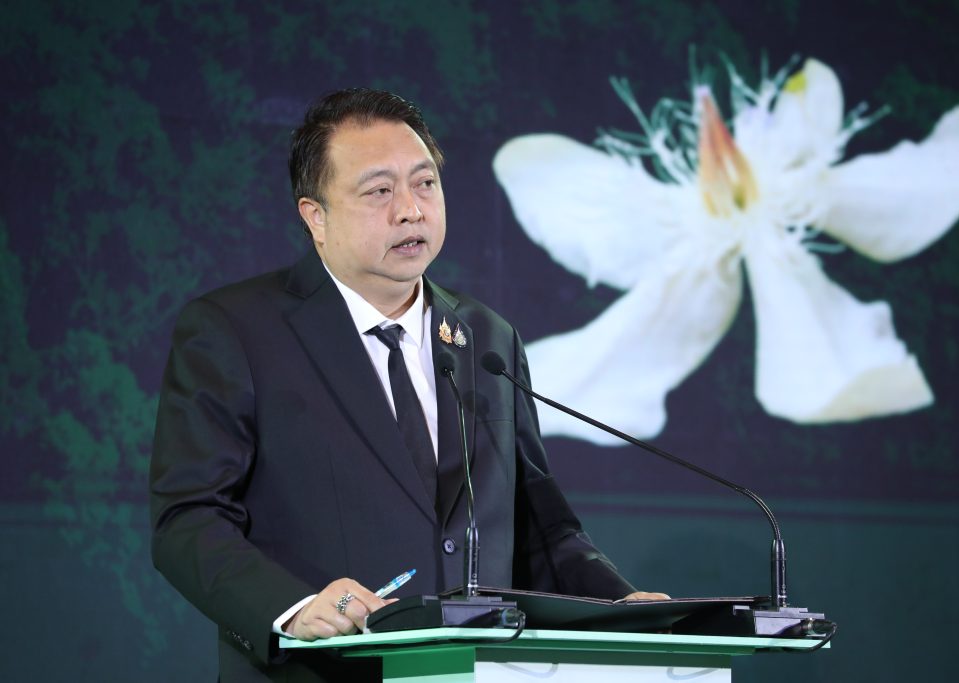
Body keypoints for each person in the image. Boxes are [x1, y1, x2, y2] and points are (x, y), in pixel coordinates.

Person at [150, 88, 666, 682]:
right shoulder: (237, 329)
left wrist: (620, 604)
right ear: (315, 216)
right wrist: (292, 608)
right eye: (379, 191)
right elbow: (188, 517)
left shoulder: (487, 338)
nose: (410, 210)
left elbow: (537, 524)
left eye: (425, 183)